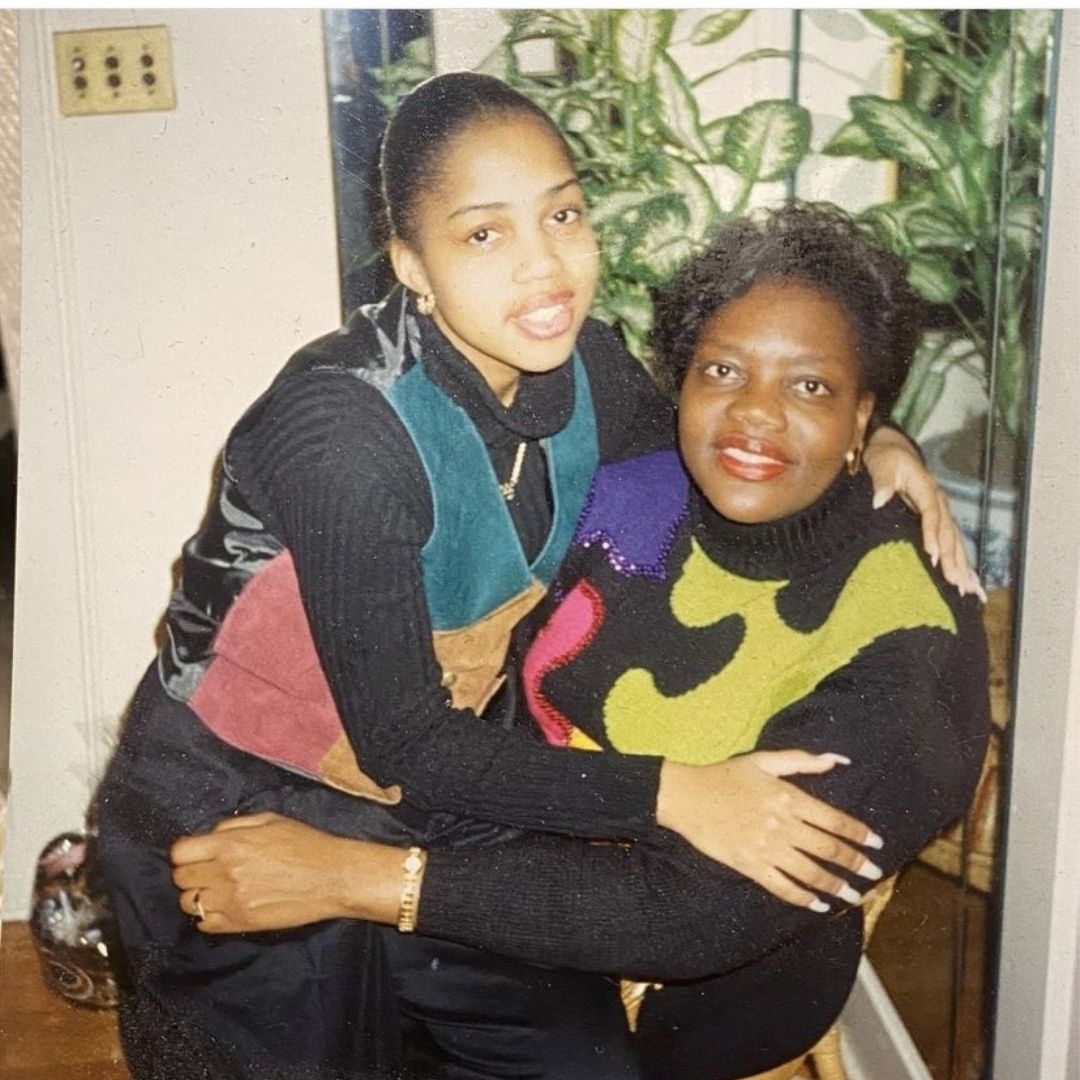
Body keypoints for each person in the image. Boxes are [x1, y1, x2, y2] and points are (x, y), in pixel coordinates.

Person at [96, 70, 969, 1080]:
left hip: (435, 796)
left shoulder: (588, 369)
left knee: (579, 1059)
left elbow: (733, 441)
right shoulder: (341, 433)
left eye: (562, 214)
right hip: (241, 798)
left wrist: (884, 434)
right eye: (484, 235)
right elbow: (407, 740)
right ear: (410, 264)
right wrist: (673, 793)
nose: (544, 267)